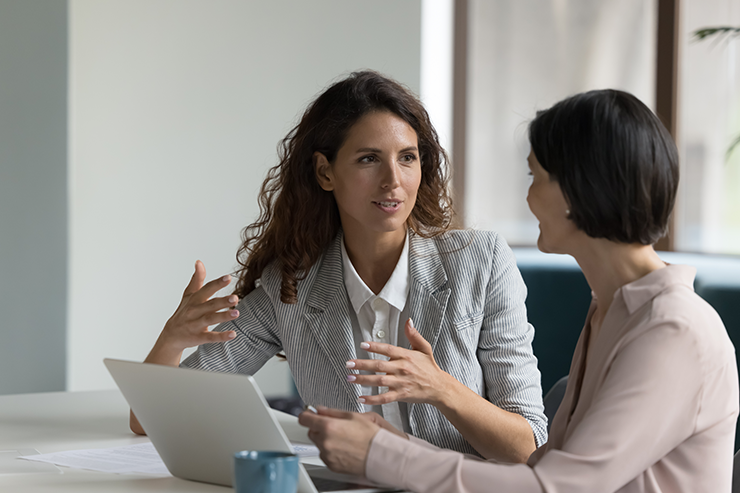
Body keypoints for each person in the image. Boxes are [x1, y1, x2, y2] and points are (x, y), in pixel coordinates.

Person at [299, 89, 740, 492]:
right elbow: (537, 471)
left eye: (535, 176)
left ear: (577, 189)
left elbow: (555, 487)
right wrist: (390, 445)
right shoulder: (612, 312)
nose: (528, 198)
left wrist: (383, 454)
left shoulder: (673, 330)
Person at [130, 70, 547, 462]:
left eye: (407, 158)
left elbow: (529, 446)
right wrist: (172, 339)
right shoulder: (290, 287)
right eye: (369, 159)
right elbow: (149, 420)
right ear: (325, 172)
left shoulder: (481, 261)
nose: (393, 180)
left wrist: (443, 390)